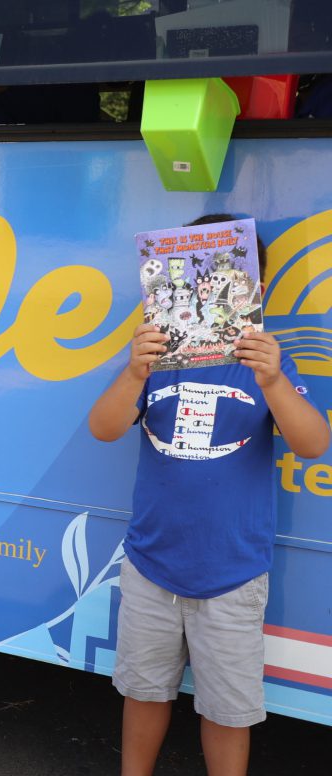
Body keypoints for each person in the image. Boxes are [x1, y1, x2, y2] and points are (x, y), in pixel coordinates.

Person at [88, 214, 329, 776]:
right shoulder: (157, 361)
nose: (212, 292)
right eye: (198, 279)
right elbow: (102, 428)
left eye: (230, 277)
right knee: (144, 692)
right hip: (151, 565)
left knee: (228, 709)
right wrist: (132, 372)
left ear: (255, 290)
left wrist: (272, 382)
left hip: (234, 572)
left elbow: (313, 442)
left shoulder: (266, 364)